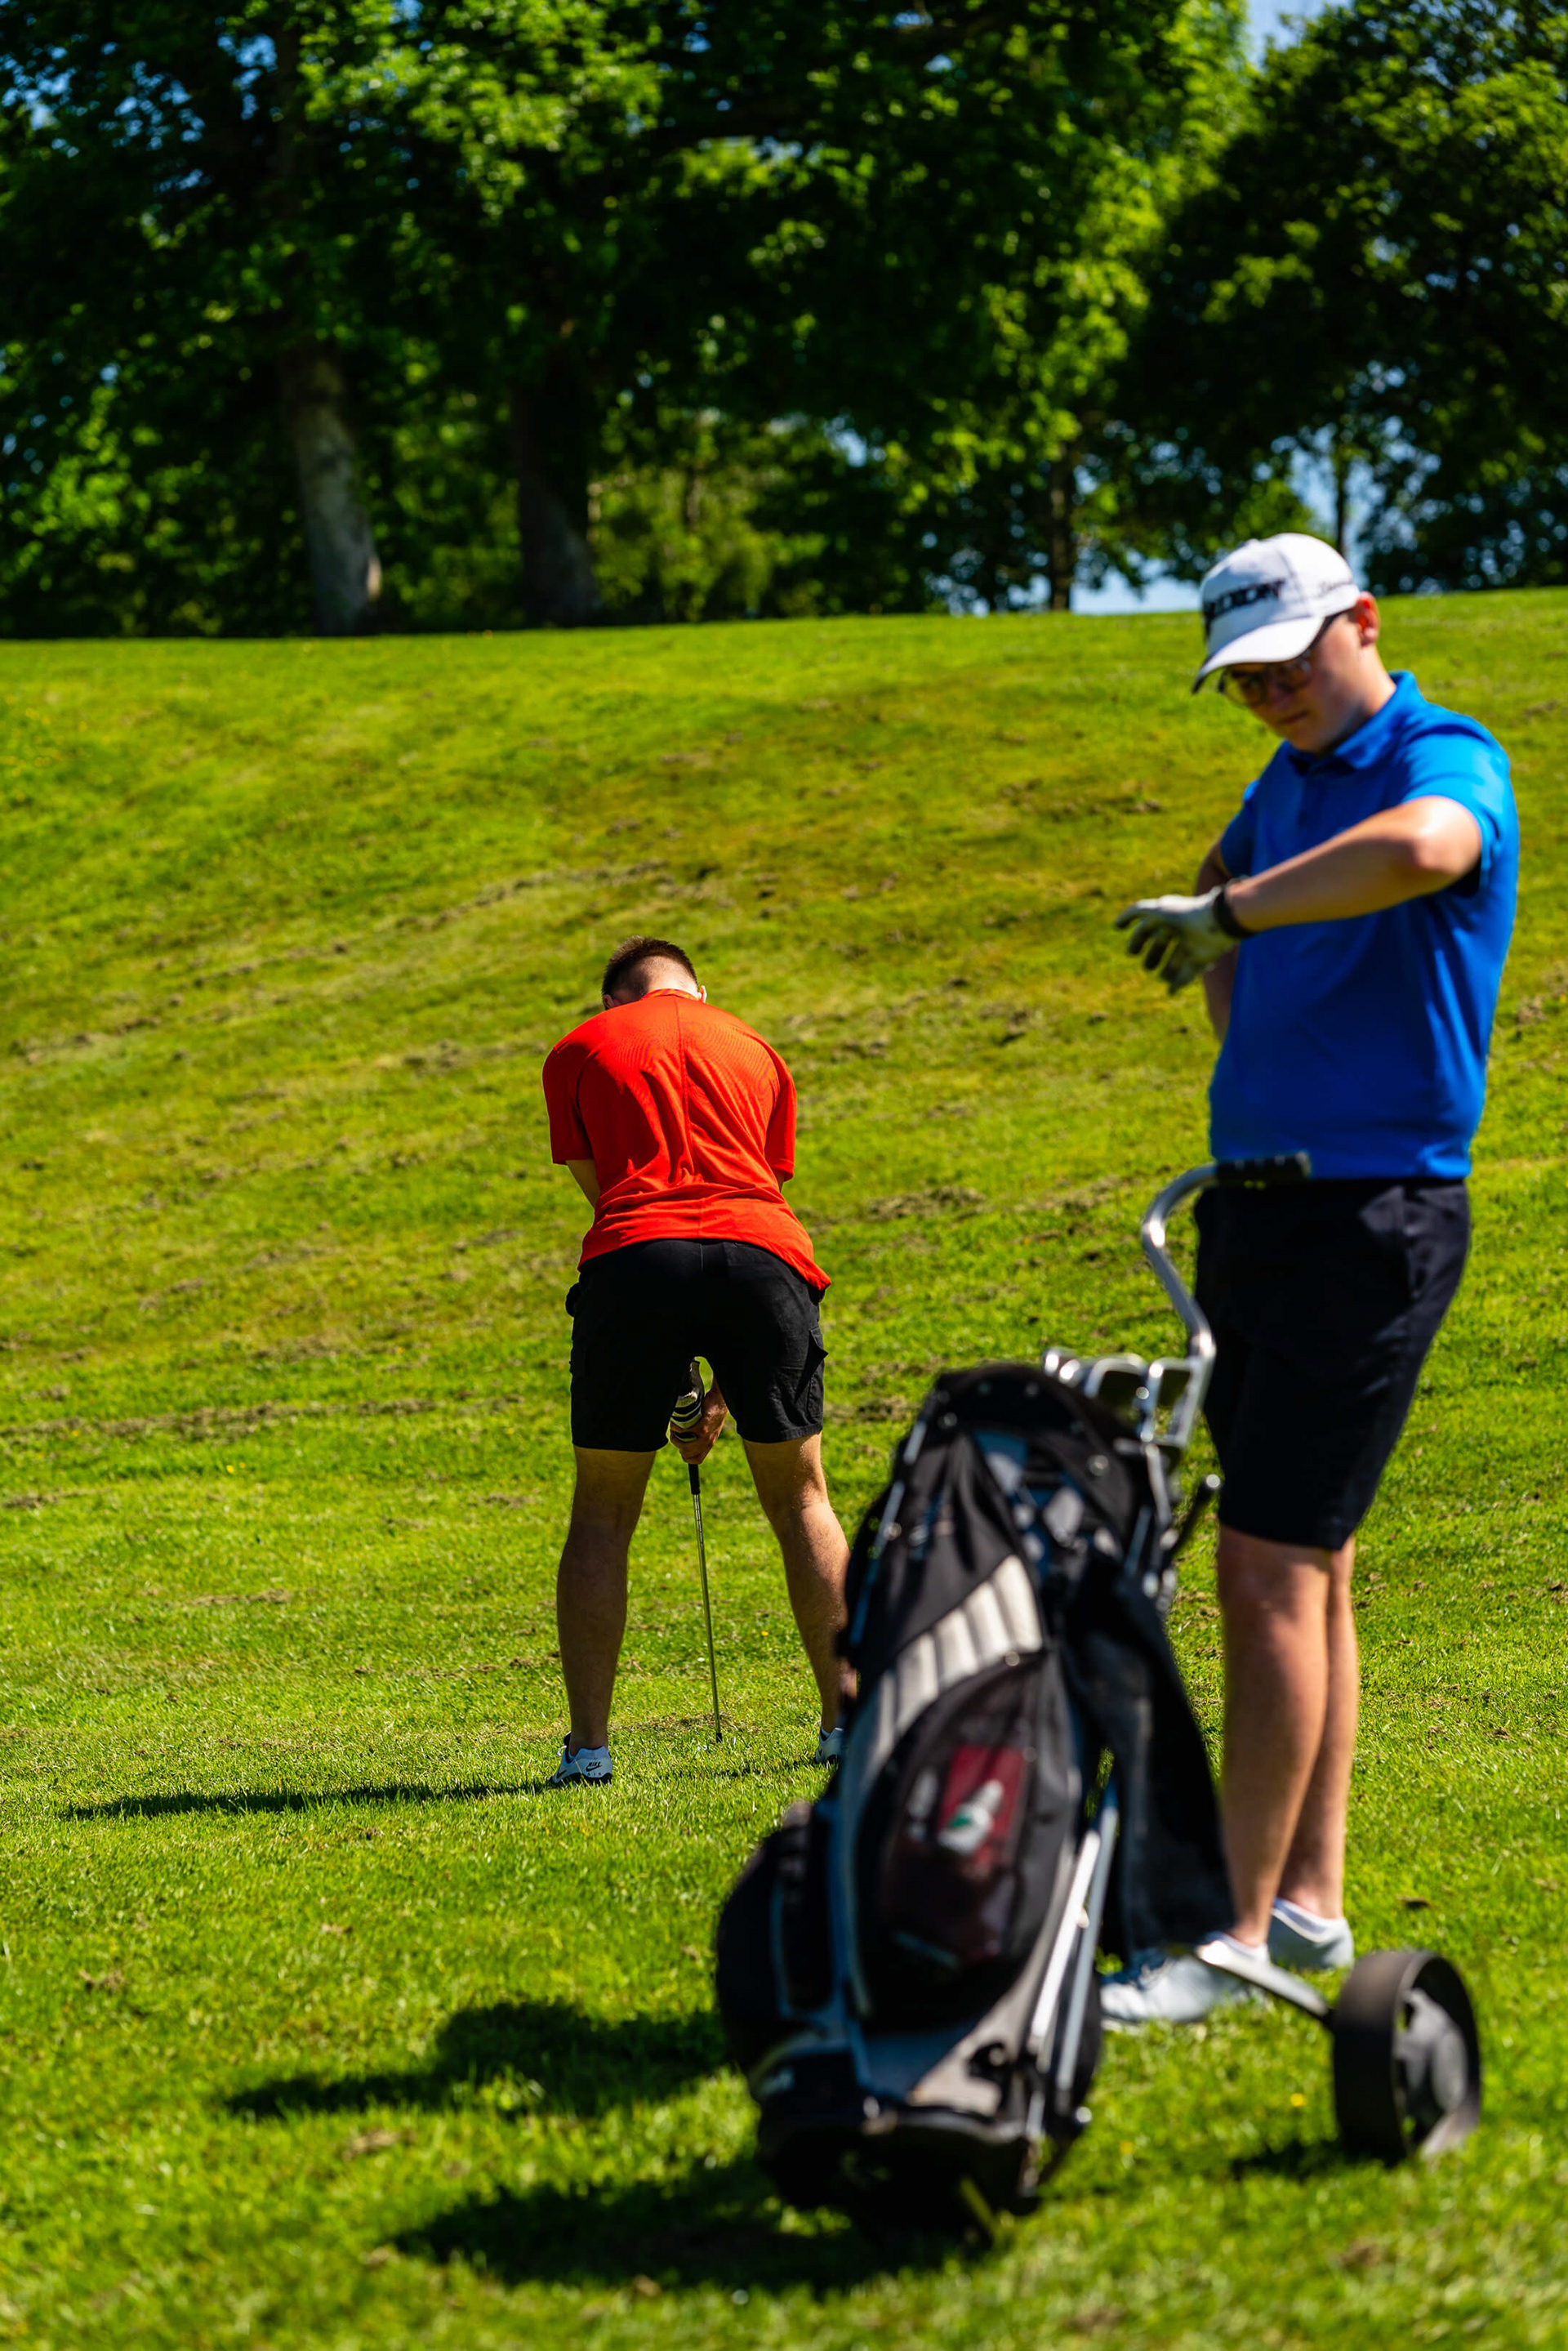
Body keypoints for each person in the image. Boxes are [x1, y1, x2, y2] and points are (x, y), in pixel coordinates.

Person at [1104, 532, 1517, 2022]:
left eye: (1287, 659)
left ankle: (1221, 1936)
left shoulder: (1439, 751)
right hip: (1262, 1202)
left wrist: (1229, 922)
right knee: (1310, 1565)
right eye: (1243, 677)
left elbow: (1426, 851)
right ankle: (1304, 1910)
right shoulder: (1282, 783)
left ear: (1364, 622)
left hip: (1377, 1211)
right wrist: (1243, 998)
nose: (1268, 691)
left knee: (1267, 1564)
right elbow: (1220, 874)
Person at [538, 934, 852, 1787]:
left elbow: (607, 1191)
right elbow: (753, 1193)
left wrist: (681, 1363)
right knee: (804, 1498)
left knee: (604, 1511)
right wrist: (721, 1390)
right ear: (699, 991)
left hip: (636, 1257)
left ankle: (589, 1750)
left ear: (612, 1001)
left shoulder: (579, 1049)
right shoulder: (756, 1046)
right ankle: (849, 1725)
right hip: (766, 1258)